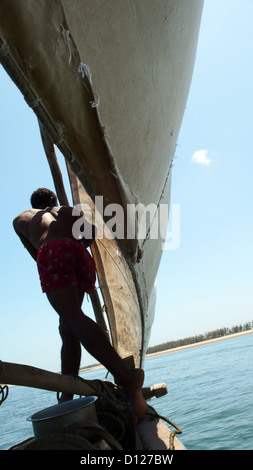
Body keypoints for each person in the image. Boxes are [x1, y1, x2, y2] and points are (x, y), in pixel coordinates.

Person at [13, 188, 147, 421]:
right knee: (67, 326)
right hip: (79, 254)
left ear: (33, 204)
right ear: (53, 199)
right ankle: (68, 394)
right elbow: (89, 236)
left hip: (53, 253)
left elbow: (37, 253)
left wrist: (53, 261)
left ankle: (126, 377)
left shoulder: (20, 219)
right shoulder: (66, 210)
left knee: (72, 318)